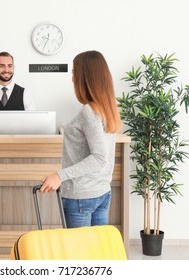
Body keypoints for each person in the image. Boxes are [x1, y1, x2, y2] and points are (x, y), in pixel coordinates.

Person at [40, 50, 121, 228]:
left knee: (78, 253)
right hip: (102, 193)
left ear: (85, 77)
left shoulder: (88, 111)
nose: (72, 78)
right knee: (96, 253)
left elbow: (99, 157)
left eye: (74, 72)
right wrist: (71, 132)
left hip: (81, 197)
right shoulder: (106, 108)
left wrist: (59, 176)